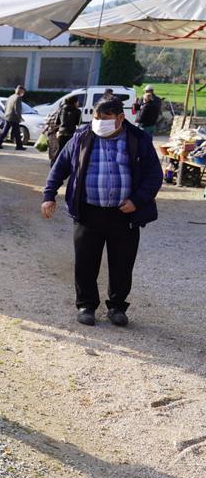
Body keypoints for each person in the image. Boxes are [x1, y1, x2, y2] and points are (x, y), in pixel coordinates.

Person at [42, 98, 162, 328]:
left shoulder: (138, 139)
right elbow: (60, 167)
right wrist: (49, 195)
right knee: (85, 262)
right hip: (88, 212)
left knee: (122, 263)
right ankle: (86, 305)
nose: (99, 123)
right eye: (96, 118)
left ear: (120, 118)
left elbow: (153, 175)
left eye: (105, 119)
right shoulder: (81, 137)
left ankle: (117, 307)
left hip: (124, 214)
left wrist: (137, 201)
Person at [50, 95, 82, 163]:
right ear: (74, 102)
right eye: (77, 102)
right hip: (71, 133)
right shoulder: (77, 111)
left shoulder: (61, 110)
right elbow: (78, 123)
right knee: (70, 150)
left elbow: (57, 122)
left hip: (61, 133)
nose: (78, 103)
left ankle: (54, 163)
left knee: (59, 150)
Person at [0, 85, 26, 150]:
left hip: (7, 116)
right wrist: (19, 117)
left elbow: (5, 107)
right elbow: (17, 109)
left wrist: (6, 114)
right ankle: (19, 146)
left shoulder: (10, 97)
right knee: (17, 132)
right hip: (13, 117)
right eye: (23, 91)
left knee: (5, 131)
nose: (23, 93)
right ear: (21, 91)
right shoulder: (18, 98)